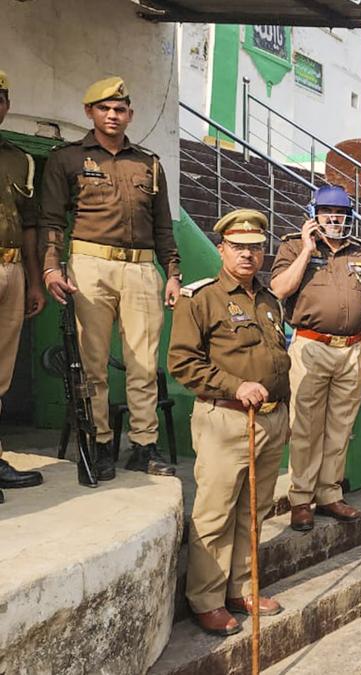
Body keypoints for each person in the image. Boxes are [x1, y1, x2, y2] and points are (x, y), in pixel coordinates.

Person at [39, 76, 179, 479]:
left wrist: (172, 272)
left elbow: (163, 224)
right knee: (92, 363)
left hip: (141, 267)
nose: (113, 115)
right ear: (90, 112)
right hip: (89, 265)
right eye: (105, 108)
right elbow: (51, 220)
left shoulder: (148, 163)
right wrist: (51, 267)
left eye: (120, 109)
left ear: (130, 114)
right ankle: (99, 445)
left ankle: (143, 446)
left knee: (143, 362)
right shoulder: (67, 159)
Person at [168, 209, 291, 636]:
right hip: (226, 419)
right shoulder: (199, 298)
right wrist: (235, 385)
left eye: (256, 248)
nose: (248, 255)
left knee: (253, 512)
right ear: (222, 248)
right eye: (239, 247)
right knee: (215, 513)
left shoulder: (268, 299)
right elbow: (182, 363)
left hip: (272, 420)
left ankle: (241, 587)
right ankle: (206, 598)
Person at [270, 185, 361, 531]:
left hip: (352, 348)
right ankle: (301, 498)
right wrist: (308, 250)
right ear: (314, 214)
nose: (334, 218)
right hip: (311, 345)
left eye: (340, 213)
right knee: (305, 426)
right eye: (327, 213)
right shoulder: (293, 245)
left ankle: (330, 493)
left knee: (341, 426)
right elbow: (279, 289)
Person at [0, 69, 46, 502]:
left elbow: (30, 225)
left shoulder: (19, 158)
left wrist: (34, 279)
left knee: (1, 371)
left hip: (12, 269)